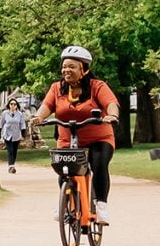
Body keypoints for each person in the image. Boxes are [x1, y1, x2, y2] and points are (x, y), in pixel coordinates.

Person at [40, 45, 120, 224]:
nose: (66, 70)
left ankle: (101, 207)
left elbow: (111, 103)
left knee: (99, 164)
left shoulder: (97, 86)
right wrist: (37, 117)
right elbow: (46, 107)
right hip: (67, 139)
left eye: (72, 67)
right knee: (64, 167)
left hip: (98, 138)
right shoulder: (56, 88)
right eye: (64, 66)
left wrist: (112, 115)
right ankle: (66, 202)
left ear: (84, 69)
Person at [0, 96, 33, 173]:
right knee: (10, 151)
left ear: (17, 105)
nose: (13, 106)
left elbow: (22, 124)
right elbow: (1, 123)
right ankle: (11, 167)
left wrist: (23, 133)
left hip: (16, 135)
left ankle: (12, 164)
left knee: (15, 151)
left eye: (15, 104)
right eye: (11, 104)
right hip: (7, 135)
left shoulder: (19, 114)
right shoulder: (5, 113)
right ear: (9, 105)